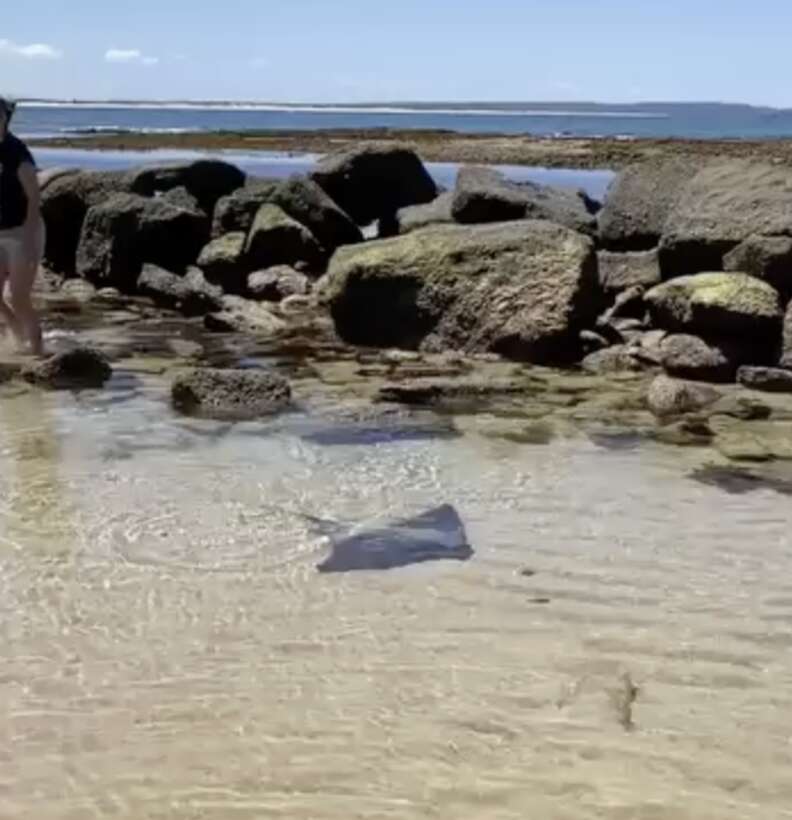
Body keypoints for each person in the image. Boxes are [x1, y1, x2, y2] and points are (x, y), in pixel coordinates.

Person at [0, 95, 43, 355]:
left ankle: (39, 353)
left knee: (18, 296)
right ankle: (18, 336)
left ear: (6, 118)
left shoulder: (17, 152)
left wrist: (28, 240)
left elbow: (34, 195)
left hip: (23, 231)